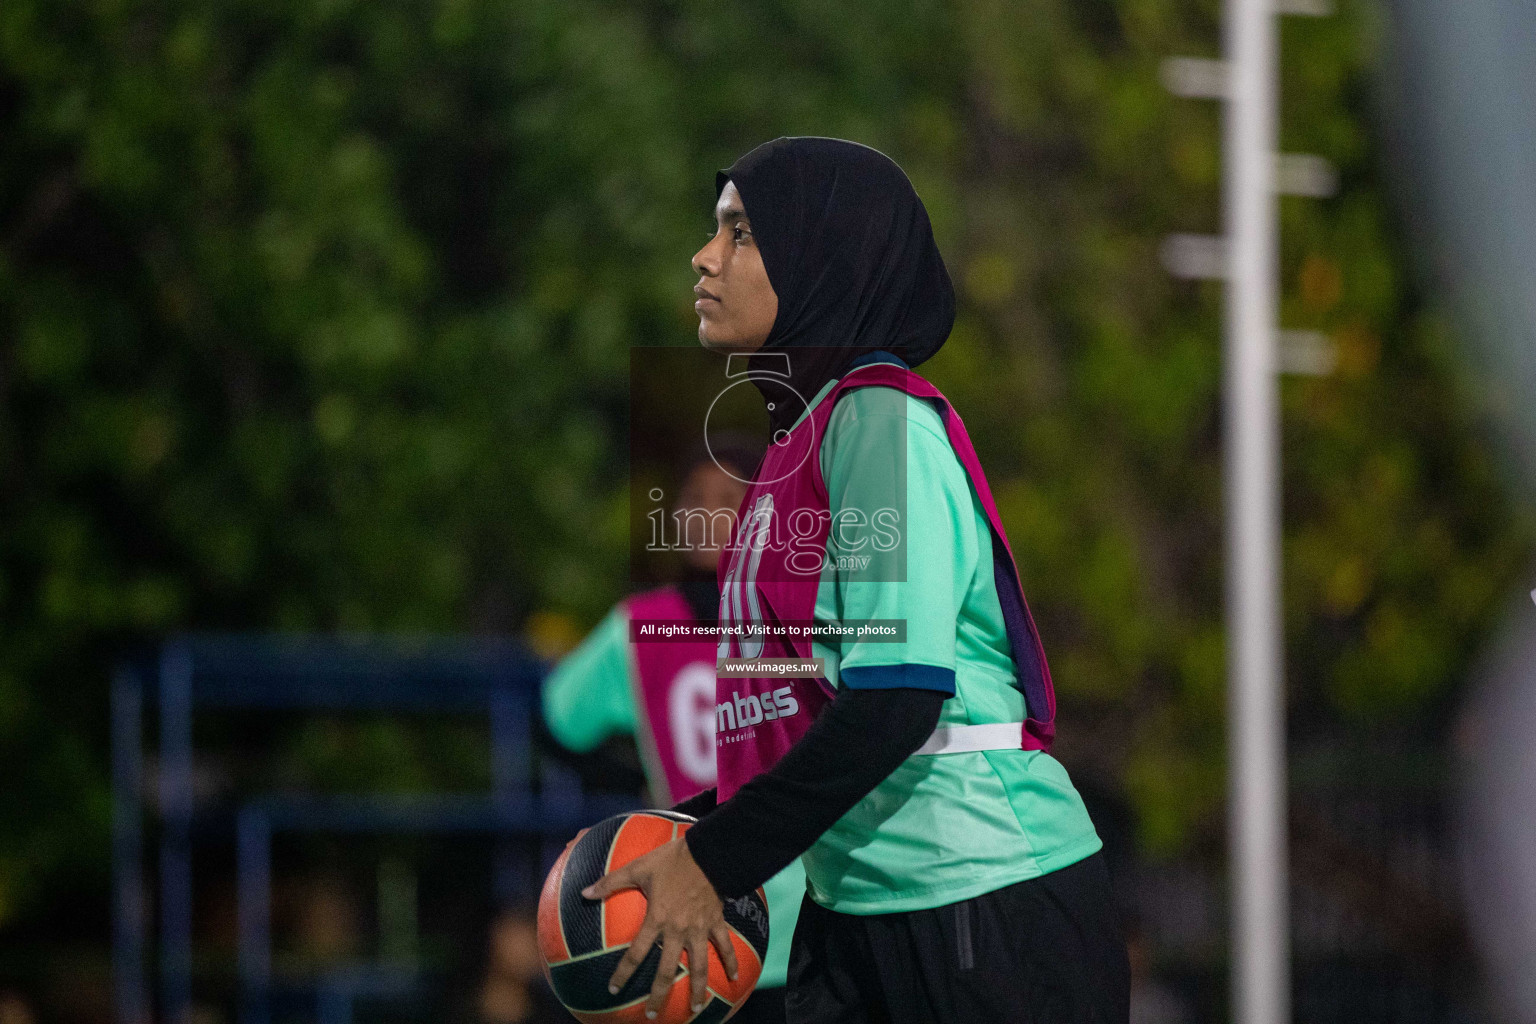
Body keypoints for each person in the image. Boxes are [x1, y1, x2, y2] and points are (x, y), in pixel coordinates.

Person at [581, 137, 1130, 1024]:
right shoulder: (794, 444)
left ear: (821, 257)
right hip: (854, 908)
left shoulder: (878, 418)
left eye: (741, 234)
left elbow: (896, 701)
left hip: (977, 898)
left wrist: (714, 859)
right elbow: (799, 717)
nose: (704, 256)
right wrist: (677, 840)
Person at [541, 444, 805, 1023]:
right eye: (694, 499)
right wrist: (637, 785)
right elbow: (556, 722)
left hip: (804, 903)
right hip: (693, 899)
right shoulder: (636, 627)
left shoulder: (803, 611)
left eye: (726, 500)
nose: (706, 513)